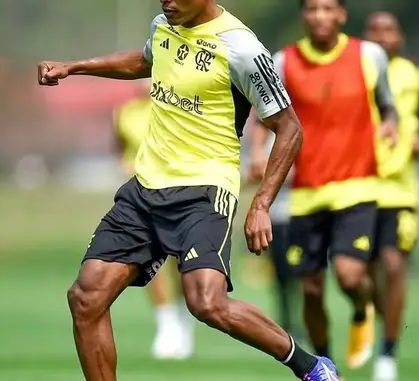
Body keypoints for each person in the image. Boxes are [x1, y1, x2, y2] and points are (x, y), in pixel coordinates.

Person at [37, 1, 340, 380]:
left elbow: (289, 128)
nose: (168, 2)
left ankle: (311, 367)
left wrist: (261, 203)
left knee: (207, 303)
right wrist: (74, 67)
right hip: (146, 187)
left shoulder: (241, 48)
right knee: (86, 297)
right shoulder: (164, 24)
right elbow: (144, 61)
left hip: (204, 191)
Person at [253, 0, 398, 371]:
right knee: (312, 288)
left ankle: (362, 304)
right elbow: (263, 114)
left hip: (358, 186)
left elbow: (386, 104)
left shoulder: (369, 56)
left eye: (327, 8)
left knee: (350, 276)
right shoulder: (283, 61)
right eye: (312, 9)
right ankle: (325, 363)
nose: (320, 16)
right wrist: (255, 151)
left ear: (342, 15)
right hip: (306, 191)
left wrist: (390, 124)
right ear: (303, 15)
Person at [364, 11, 419, 381]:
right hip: (357, 184)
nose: (382, 36)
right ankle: (363, 313)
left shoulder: (416, 74)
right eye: (374, 30)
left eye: (389, 29)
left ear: (400, 35)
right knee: (355, 275)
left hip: (400, 188)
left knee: (393, 267)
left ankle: (387, 354)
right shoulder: (357, 69)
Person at [112, 80, 194, 360]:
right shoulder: (124, 112)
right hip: (141, 198)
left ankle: (183, 321)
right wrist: (123, 163)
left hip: (176, 195)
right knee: (152, 265)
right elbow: (120, 146)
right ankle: (166, 326)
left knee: (183, 268)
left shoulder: (173, 107)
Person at [247, 122, 305, 340]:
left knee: (300, 273)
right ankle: (286, 321)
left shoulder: (295, 137)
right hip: (275, 218)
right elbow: (254, 174)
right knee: (280, 275)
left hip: (299, 213)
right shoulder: (266, 145)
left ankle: (300, 319)